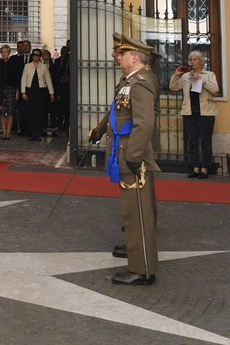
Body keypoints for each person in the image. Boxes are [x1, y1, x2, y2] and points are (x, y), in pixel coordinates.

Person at [94, 34, 159, 286]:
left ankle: (142, 270)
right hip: (124, 152)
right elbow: (117, 113)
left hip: (133, 157)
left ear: (134, 57)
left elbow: (145, 124)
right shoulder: (129, 82)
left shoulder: (140, 83)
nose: (118, 58)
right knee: (133, 214)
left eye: (122, 55)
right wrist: (99, 130)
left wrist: (132, 156)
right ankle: (139, 264)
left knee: (138, 215)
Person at [170, 50, 220, 179]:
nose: (192, 62)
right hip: (189, 112)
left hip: (206, 113)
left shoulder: (209, 75)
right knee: (192, 141)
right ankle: (195, 167)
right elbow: (173, 87)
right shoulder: (186, 76)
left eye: (195, 59)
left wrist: (201, 80)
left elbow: (215, 90)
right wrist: (176, 75)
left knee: (205, 141)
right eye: (191, 59)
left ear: (202, 61)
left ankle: (205, 168)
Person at [18, 49, 54, 142]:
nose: (35, 56)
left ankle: (38, 133)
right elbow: (23, 79)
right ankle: (32, 133)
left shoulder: (44, 67)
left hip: (41, 91)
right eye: (34, 55)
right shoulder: (27, 66)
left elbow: (48, 80)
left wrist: (51, 93)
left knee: (39, 113)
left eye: (37, 55)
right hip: (30, 91)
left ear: (40, 56)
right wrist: (23, 92)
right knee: (30, 113)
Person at [0, 44, 17, 140]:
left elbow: (16, 77)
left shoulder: (13, 63)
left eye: (6, 52)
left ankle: (8, 133)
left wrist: (17, 91)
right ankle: (4, 132)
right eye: (3, 52)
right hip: (0, 89)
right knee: (2, 112)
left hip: (11, 89)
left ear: (9, 53)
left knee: (10, 112)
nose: (4, 54)